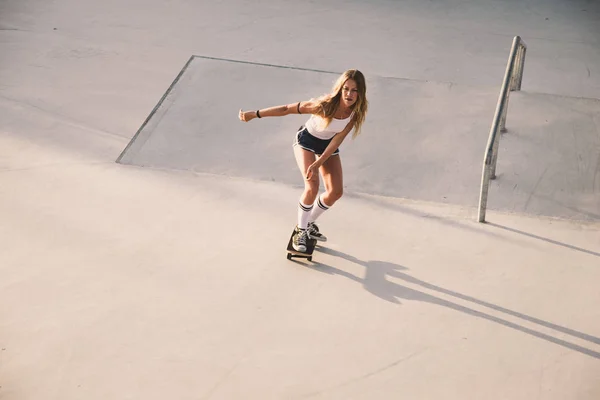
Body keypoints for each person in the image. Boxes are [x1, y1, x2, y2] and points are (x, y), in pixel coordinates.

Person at [238, 69, 368, 253]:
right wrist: (255, 114)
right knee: (312, 185)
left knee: (335, 192)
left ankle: (308, 224)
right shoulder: (323, 105)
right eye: (346, 89)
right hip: (306, 140)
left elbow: (338, 139)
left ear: (360, 92)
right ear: (340, 89)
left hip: (327, 145)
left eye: (354, 90)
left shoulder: (356, 112)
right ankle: (301, 229)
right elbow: (287, 109)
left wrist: (319, 162)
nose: (349, 94)